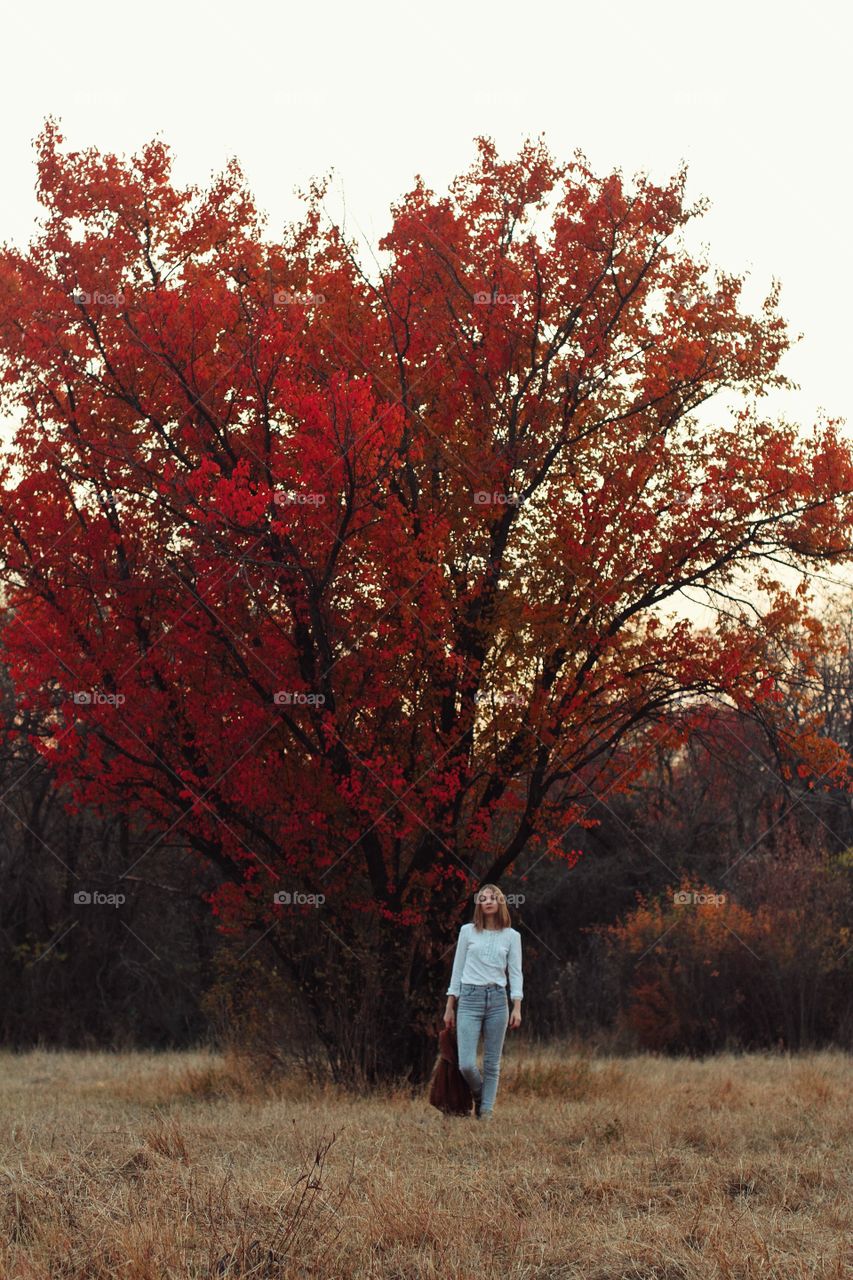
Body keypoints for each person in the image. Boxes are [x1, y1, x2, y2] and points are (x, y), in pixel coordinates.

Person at [443, 884, 523, 1120]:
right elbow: (457, 970)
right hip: (469, 998)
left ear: (499, 903)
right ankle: (480, 1097)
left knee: (492, 1063)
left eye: (492, 898)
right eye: (483, 898)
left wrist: (516, 1006)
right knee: (466, 1064)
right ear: (479, 904)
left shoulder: (511, 936)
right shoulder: (467, 932)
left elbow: (516, 973)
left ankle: (486, 1113)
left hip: (498, 1000)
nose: (488, 901)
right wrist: (450, 1005)